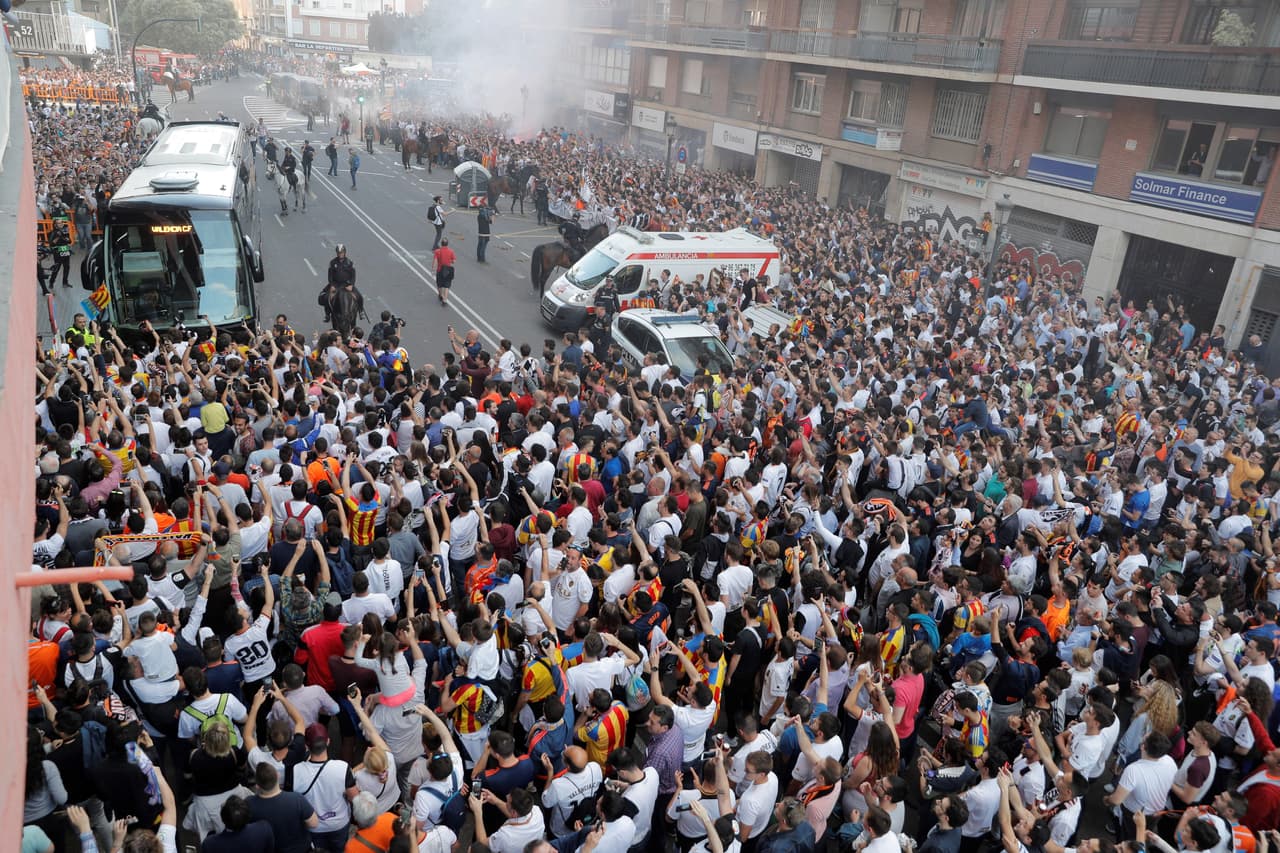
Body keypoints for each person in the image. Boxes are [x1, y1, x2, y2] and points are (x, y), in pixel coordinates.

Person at [434, 238, 456, 306]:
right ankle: (445, 300)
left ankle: (440, 295)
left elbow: (435, 261)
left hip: (440, 270)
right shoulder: (451, 251)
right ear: (447, 244)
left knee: (439, 284)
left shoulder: (437, 251)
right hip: (448, 271)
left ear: (441, 244)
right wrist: (450, 261)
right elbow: (454, 261)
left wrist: (433, 269)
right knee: (447, 286)